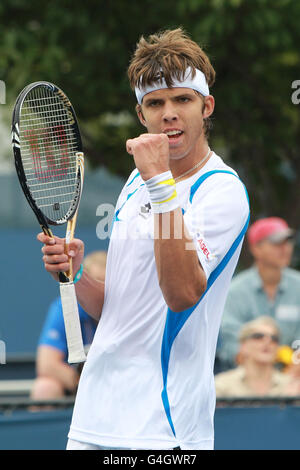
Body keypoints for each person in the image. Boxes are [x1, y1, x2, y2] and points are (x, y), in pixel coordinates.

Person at [38, 28, 250, 450]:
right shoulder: (137, 180)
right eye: (155, 103)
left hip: (165, 429)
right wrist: (78, 276)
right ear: (142, 115)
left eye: (182, 99)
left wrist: (161, 183)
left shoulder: (222, 191)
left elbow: (182, 293)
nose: (168, 113)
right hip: (94, 419)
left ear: (206, 106)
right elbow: (117, 309)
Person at [217, 216, 300, 371]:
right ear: (256, 248)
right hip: (246, 378)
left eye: (287, 242)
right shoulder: (235, 291)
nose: (285, 248)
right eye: (276, 243)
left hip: (294, 376)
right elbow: (231, 344)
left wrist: (293, 363)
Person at [30, 251, 106, 401]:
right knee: (45, 388)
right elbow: (47, 364)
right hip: (76, 386)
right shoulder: (64, 307)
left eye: (107, 283)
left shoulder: (127, 309)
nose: (103, 291)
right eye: (97, 282)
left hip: (118, 385)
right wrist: (84, 383)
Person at [215, 316, 298, 397]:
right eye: (258, 336)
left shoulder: (293, 386)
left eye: (274, 338)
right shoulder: (221, 386)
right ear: (243, 345)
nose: (267, 341)